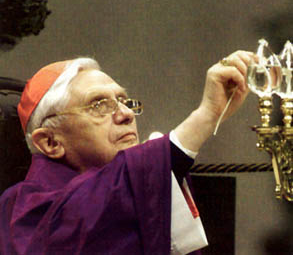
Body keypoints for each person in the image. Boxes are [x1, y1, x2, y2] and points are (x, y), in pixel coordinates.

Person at [0, 50, 256, 254]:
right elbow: (92, 208)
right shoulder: (23, 210)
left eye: (124, 101)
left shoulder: (134, 186)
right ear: (50, 142)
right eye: (99, 104)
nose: (126, 114)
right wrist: (206, 115)